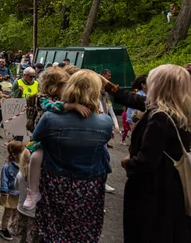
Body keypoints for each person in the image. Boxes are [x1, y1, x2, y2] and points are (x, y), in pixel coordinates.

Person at [32, 69, 112, 242]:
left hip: (56, 181)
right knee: (85, 228)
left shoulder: (50, 118)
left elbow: (35, 139)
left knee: (54, 227)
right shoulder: (105, 122)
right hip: (90, 183)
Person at [122, 64, 191, 242]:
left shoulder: (161, 117)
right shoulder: (183, 112)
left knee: (148, 232)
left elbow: (147, 160)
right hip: (175, 185)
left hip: (154, 189)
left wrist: (128, 162)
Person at [0, 141, 26, 241]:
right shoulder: (7, 166)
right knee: (8, 213)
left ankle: (13, 227)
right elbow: (4, 180)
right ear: (15, 154)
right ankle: (3, 228)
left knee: (16, 213)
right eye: (22, 152)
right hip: (10, 194)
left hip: (19, 193)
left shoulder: (23, 164)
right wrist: (4, 191)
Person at [13, 149, 39, 243]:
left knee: (23, 237)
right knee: (32, 239)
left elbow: (15, 187)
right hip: (34, 214)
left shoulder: (20, 174)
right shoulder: (39, 178)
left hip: (22, 210)